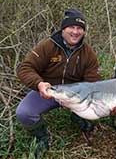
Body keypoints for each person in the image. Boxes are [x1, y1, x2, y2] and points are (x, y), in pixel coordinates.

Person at [16, 8, 101, 157]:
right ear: (63, 29)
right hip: (49, 92)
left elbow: (92, 82)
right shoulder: (47, 46)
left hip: (75, 95)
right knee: (24, 113)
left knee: (96, 111)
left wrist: (85, 101)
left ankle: (77, 116)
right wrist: (39, 84)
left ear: (84, 31)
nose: (75, 32)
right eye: (71, 27)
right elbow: (25, 68)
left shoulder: (89, 54)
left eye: (80, 28)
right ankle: (41, 137)